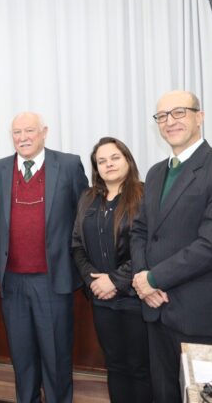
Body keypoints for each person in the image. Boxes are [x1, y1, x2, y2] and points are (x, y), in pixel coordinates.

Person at [130, 90, 212, 403]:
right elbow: (140, 232)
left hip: (201, 316)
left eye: (178, 113)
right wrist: (141, 278)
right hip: (156, 310)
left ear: (199, 117)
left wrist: (153, 279)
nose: (169, 121)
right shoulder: (155, 172)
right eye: (162, 116)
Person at [0, 112, 87, 403]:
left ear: (44, 132)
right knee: (22, 357)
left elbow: (84, 219)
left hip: (52, 280)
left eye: (29, 130)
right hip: (12, 281)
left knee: (56, 356)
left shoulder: (68, 165)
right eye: (17, 132)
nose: (23, 137)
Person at [71, 137, 151, 403]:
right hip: (101, 300)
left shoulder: (144, 194)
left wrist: (115, 281)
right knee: (114, 365)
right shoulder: (88, 197)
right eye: (101, 161)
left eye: (114, 157)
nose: (109, 164)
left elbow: (149, 247)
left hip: (134, 298)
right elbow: (77, 244)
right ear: (96, 168)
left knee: (139, 368)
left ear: (127, 159)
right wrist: (94, 281)